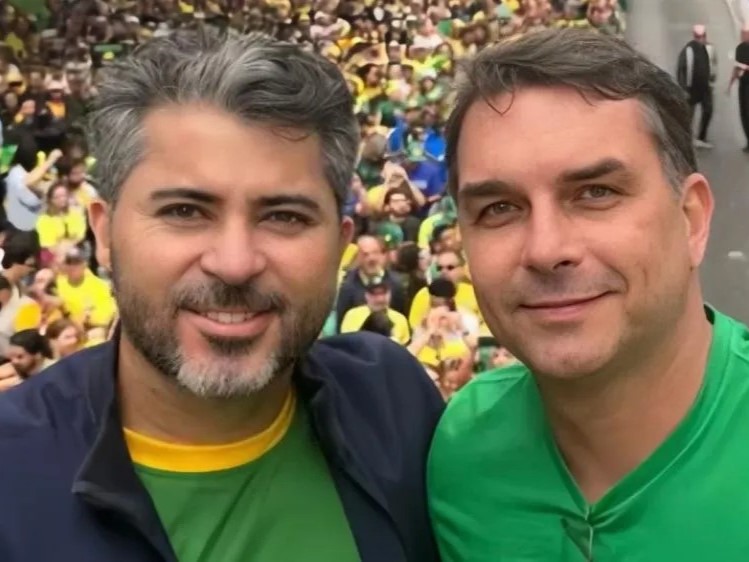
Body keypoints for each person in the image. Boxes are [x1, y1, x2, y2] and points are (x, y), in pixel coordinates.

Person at [0, 31, 443, 562]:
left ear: (339, 246)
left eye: (285, 217)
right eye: (184, 211)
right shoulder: (11, 475)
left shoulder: (393, 400)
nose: (234, 264)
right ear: (104, 234)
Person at [428, 28, 749, 561]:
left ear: (691, 219)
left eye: (596, 193)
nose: (546, 249)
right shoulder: (461, 448)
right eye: (499, 208)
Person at [677, 24, 715, 148]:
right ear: (694, 36)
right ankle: (686, 139)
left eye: (703, 36)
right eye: (698, 37)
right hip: (691, 87)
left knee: (708, 110)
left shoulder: (709, 48)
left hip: (705, 87)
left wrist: (712, 81)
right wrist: (683, 88)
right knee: (689, 114)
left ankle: (702, 137)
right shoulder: (688, 50)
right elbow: (681, 69)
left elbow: (713, 65)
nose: (701, 39)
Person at [729, 28, 749, 152]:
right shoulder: (740, 49)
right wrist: (730, 84)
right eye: (742, 34)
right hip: (743, 84)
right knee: (744, 113)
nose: (743, 36)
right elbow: (737, 67)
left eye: (745, 34)